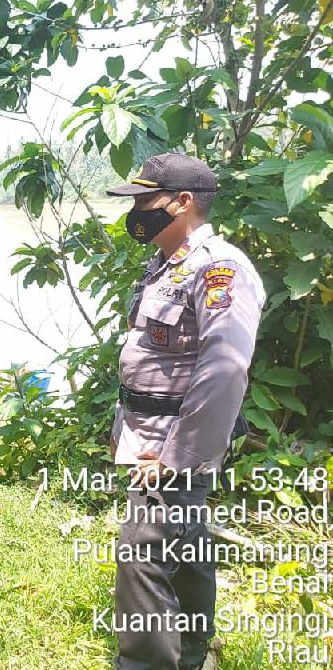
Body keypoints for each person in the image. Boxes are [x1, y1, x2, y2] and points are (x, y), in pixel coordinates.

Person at [106, 153, 264, 670]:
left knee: (141, 554)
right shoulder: (164, 266)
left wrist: (178, 457)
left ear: (183, 202)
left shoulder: (219, 269)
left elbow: (225, 370)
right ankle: (195, 649)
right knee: (187, 541)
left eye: (146, 201)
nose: (137, 212)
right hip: (148, 432)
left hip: (173, 442)